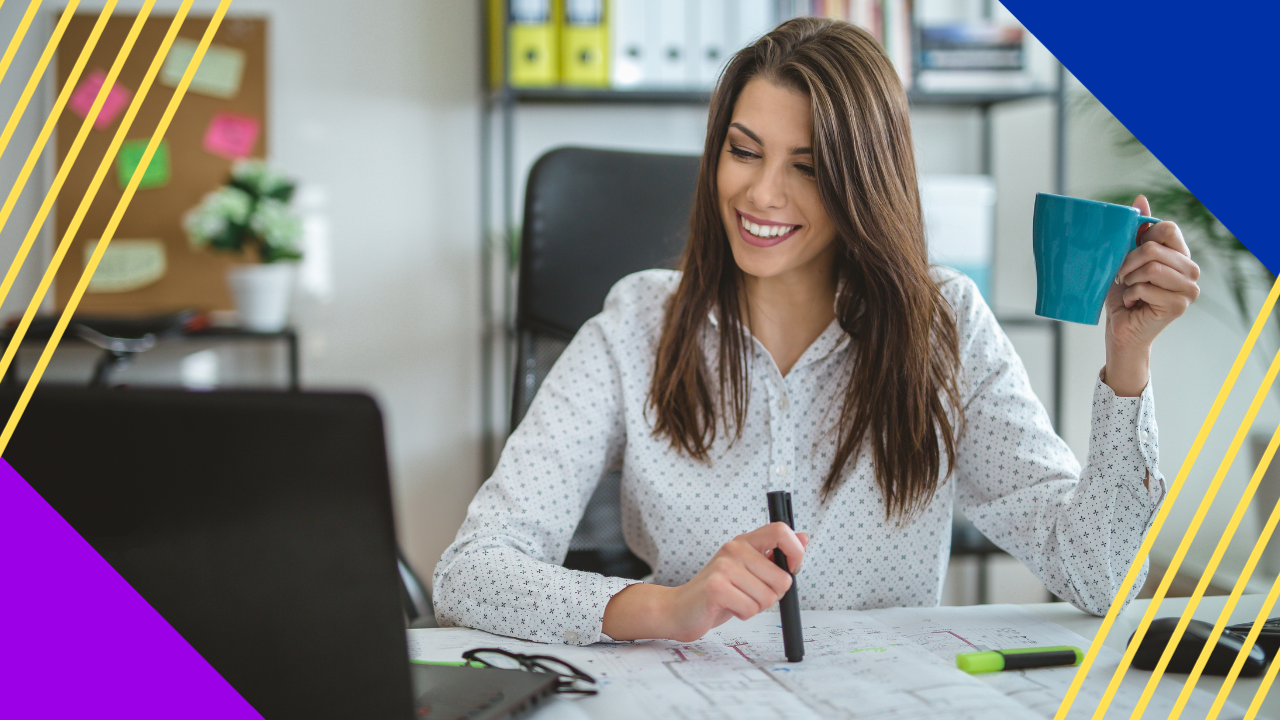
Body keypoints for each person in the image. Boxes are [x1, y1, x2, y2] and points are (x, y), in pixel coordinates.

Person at [433, 17, 1200, 646]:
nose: (762, 193)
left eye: (809, 165)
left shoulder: (945, 327)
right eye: (743, 151)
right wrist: (664, 609)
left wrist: (1127, 359)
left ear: (865, 182)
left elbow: (1101, 577)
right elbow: (471, 573)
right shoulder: (638, 324)